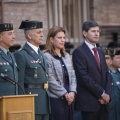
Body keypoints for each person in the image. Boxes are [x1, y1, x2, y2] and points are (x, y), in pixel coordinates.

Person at [72, 20, 112, 120]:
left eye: (98, 31)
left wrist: (107, 95)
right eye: (93, 31)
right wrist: (102, 93)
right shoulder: (79, 52)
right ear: (85, 33)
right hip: (89, 104)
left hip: (104, 103)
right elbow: (83, 77)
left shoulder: (100, 52)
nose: (96, 34)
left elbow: (107, 74)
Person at [14, 20, 50, 120]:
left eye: (42, 32)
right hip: (32, 101)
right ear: (29, 36)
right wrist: (23, 103)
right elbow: (19, 82)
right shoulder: (21, 54)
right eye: (39, 32)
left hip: (44, 99)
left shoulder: (41, 54)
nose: (42, 35)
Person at [44, 26, 76, 120]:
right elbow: (50, 78)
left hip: (70, 99)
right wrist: (65, 94)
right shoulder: (47, 56)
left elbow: (73, 75)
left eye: (63, 38)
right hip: (56, 99)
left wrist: (72, 92)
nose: (62, 40)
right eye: (59, 38)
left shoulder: (66, 56)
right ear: (51, 39)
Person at [0, 23, 18, 96]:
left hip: (12, 101)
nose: (14, 36)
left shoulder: (10, 55)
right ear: (0, 37)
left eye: (13, 33)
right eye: (9, 34)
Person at [108, 49, 120, 120]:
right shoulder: (105, 75)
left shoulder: (118, 74)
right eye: (118, 58)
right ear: (110, 60)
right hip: (109, 114)